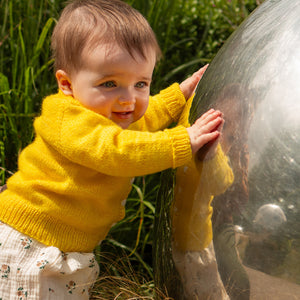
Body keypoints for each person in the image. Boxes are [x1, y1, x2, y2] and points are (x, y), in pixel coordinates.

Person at [0, 0, 223, 299]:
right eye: (109, 84)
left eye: (141, 83)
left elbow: (143, 118)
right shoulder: (68, 118)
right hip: (31, 242)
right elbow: (118, 152)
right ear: (67, 83)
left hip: (64, 246)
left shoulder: (111, 113)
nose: (127, 100)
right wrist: (184, 140)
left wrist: (178, 95)